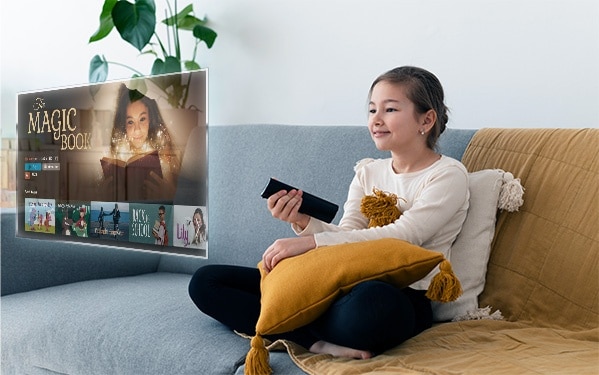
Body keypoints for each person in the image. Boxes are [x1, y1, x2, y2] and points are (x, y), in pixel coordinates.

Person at [188, 66, 469, 359]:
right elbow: (348, 234)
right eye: (372, 109)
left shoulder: (448, 175)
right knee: (207, 281)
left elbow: (404, 237)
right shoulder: (368, 171)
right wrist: (303, 221)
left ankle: (295, 321)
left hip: (403, 292)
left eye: (390, 109)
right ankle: (312, 340)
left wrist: (310, 242)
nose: (376, 119)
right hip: (342, 281)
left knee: (370, 309)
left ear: (426, 119)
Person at [100, 84, 180, 200]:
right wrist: (103, 198)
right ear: (124, 125)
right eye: (130, 122)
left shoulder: (164, 155)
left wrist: (169, 197)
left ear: (151, 120)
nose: (137, 129)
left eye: (142, 119)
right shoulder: (117, 154)